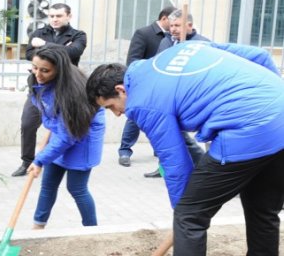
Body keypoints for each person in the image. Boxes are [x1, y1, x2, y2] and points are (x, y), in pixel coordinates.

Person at [86, 41, 284, 256]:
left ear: (121, 90)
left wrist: (183, 212)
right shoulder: (183, 48)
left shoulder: (142, 102)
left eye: (111, 107)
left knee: (190, 217)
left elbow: (175, 163)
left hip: (247, 130)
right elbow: (259, 55)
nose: (117, 114)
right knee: (262, 210)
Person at [25, 44, 105, 229]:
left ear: (59, 70)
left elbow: (68, 136)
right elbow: (52, 116)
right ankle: (38, 225)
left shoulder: (73, 93)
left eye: (45, 70)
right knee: (48, 184)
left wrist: (39, 161)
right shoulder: (39, 81)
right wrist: (48, 135)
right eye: (35, 67)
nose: (38, 74)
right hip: (62, 133)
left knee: (77, 188)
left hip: (83, 138)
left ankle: (92, 229)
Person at [12, 3, 87, 176]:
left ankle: (55, 161)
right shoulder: (38, 32)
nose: (54, 19)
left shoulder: (78, 35)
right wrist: (61, 49)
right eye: (52, 16)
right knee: (28, 123)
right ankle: (27, 161)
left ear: (69, 16)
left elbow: (73, 52)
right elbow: (30, 55)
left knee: (62, 129)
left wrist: (44, 45)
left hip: (65, 90)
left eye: (59, 16)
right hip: (39, 88)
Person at [141, 9, 209, 177]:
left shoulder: (203, 44)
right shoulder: (167, 42)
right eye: (171, 26)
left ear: (189, 25)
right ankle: (166, 168)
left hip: (194, 97)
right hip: (169, 96)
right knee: (169, 134)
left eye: (177, 25)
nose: (173, 29)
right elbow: (158, 63)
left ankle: (206, 169)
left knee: (204, 136)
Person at [117, 6, 176, 168]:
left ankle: (159, 151)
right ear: (164, 18)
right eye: (172, 22)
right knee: (135, 118)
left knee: (162, 119)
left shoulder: (174, 37)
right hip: (144, 83)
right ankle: (125, 151)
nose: (175, 26)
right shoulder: (144, 33)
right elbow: (133, 60)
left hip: (165, 86)